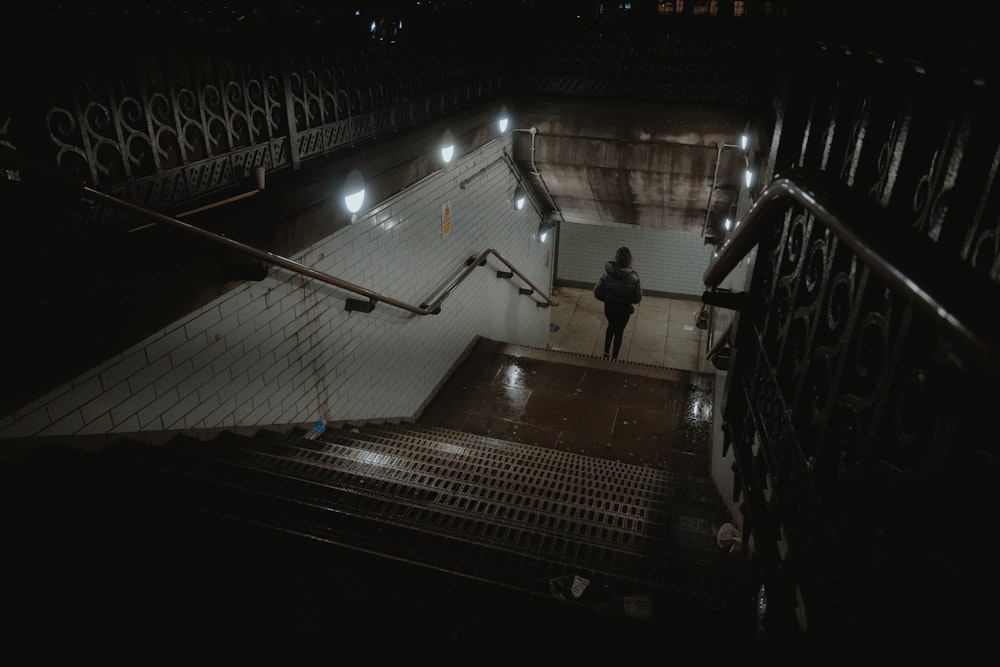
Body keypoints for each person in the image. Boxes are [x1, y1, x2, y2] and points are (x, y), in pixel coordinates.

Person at [593, 246, 642, 360]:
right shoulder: (634, 277)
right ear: (629, 259)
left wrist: (607, 299)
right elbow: (637, 298)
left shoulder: (607, 274)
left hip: (609, 307)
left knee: (611, 326)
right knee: (619, 331)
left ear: (616, 257)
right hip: (624, 309)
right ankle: (615, 357)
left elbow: (597, 292)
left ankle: (606, 352)